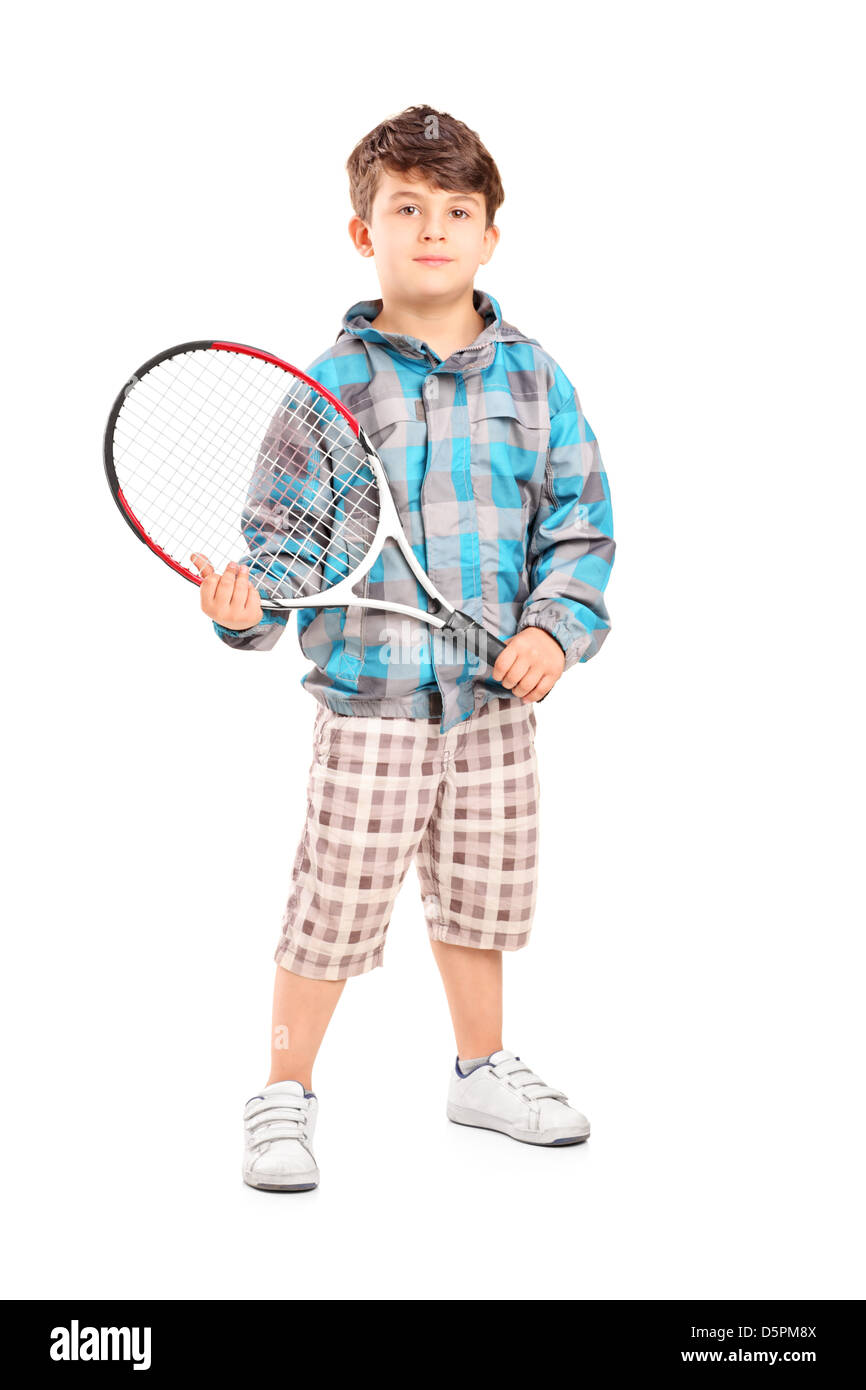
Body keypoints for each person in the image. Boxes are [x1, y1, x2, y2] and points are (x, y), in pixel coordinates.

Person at [191, 104, 616, 1191]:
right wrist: (244, 608)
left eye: (456, 210)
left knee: (482, 896)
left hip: (492, 707)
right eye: (405, 207)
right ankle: (283, 1090)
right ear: (361, 231)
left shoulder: (536, 378)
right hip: (371, 704)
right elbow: (281, 551)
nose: (431, 228)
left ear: (489, 236)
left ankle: (478, 1069)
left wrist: (552, 629)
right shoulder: (329, 387)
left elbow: (578, 524)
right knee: (333, 900)